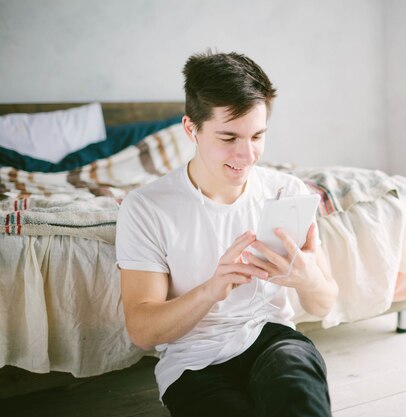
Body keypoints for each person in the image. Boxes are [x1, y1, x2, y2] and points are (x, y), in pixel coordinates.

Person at [115, 50, 338, 417]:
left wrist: (308, 278)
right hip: (192, 362)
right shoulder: (146, 207)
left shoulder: (288, 193)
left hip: (273, 340)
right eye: (229, 137)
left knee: (298, 398)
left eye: (257, 136)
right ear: (191, 129)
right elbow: (142, 329)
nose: (246, 154)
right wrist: (211, 289)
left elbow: (325, 303)